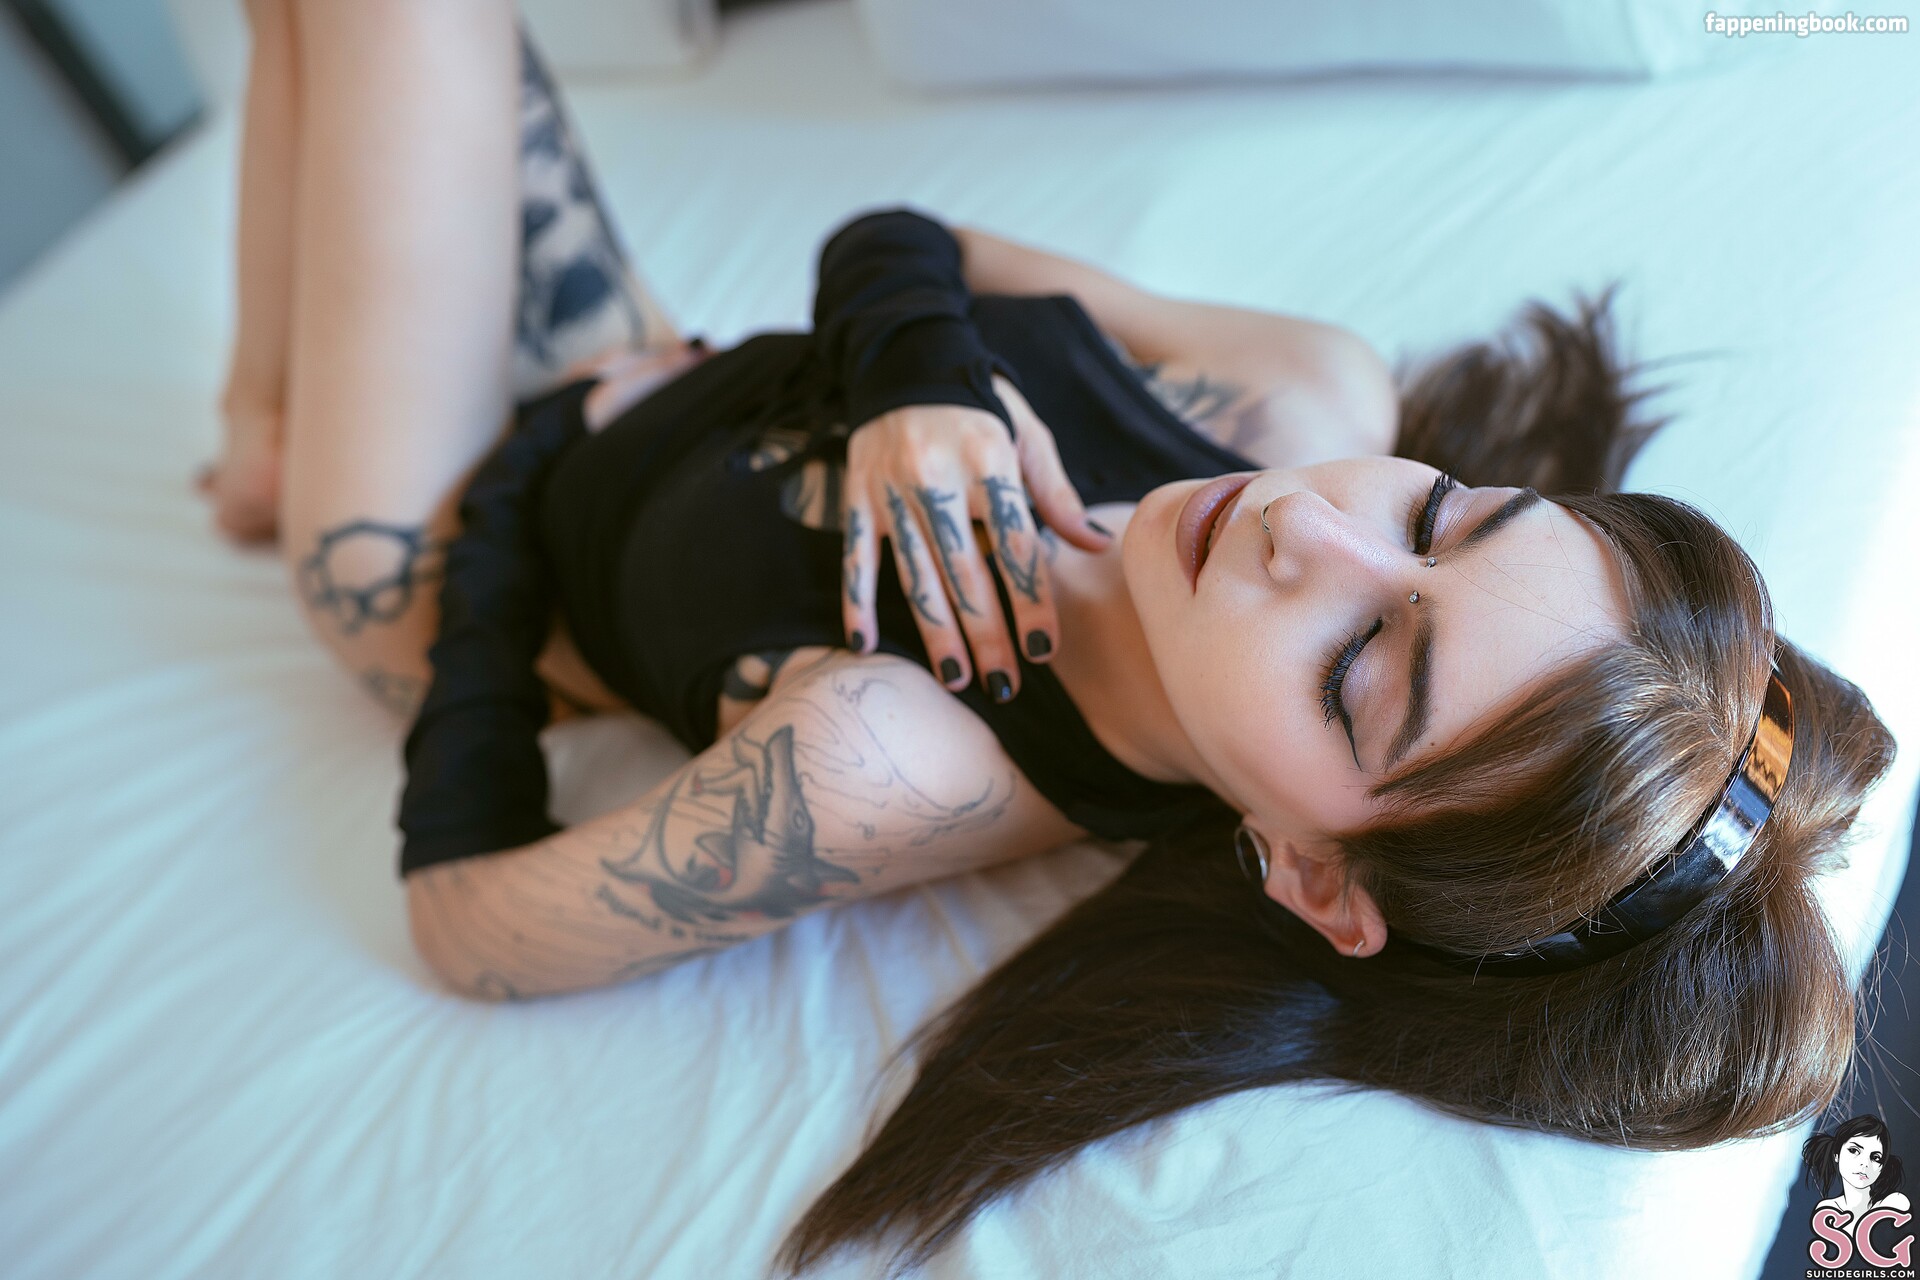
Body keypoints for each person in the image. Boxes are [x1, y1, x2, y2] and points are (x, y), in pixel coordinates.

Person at [198, 2, 1898, 1272]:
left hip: (443, 546)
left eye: (1359, 670)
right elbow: (904, 246)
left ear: (1313, 875)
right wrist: (916, 383)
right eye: (1444, 514)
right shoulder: (1298, 393)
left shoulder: (889, 759)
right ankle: (267, 428)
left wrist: (505, 518)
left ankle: (297, 456)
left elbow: (467, 923)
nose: (1305, 527)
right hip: (654, 361)